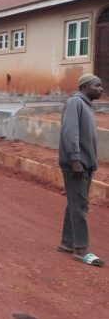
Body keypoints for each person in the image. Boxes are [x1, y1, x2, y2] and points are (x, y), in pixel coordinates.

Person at [57, 73, 105, 266]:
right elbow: (69, 132)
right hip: (76, 164)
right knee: (80, 206)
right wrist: (75, 159)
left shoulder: (86, 105)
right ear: (84, 87)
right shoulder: (75, 103)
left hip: (85, 164)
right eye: (97, 86)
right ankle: (81, 249)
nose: (101, 89)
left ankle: (67, 242)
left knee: (74, 203)